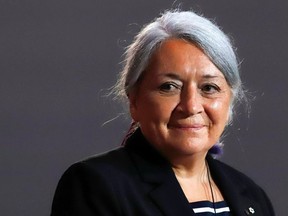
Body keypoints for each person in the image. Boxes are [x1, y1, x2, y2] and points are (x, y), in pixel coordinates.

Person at [51, 10, 275, 216]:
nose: (190, 106)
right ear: (134, 100)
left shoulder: (252, 196)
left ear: (229, 102)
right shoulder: (96, 185)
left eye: (209, 88)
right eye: (169, 87)